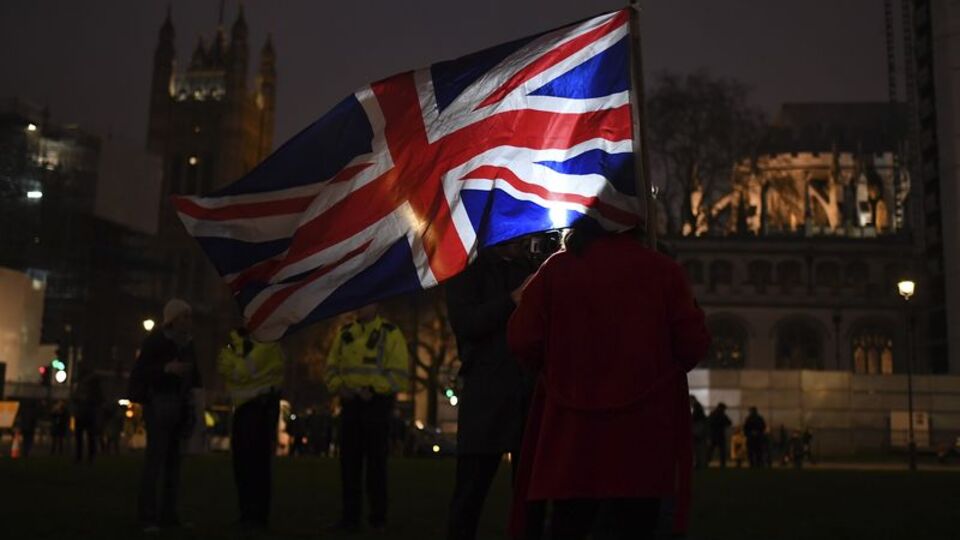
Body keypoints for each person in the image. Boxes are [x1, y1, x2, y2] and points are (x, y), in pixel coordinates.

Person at [507, 224, 710, 540]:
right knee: (636, 523)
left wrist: (554, 369)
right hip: (641, 434)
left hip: (572, 429)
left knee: (570, 523)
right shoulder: (662, 270)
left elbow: (523, 339)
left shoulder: (557, 270)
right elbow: (692, 345)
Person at [445, 238, 544, 540]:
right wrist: (511, 300)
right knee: (472, 486)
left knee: (530, 491)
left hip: (526, 389)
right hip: (487, 391)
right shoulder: (468, 270)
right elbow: (467, 323)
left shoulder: (530, 268)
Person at [324, 305, 410, 533]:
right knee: (349, 465)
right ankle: (350, 517)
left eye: (365, 303)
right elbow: (330, 368)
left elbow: (399, 374)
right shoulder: (344, 333)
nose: (359, 307)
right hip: (351, 404)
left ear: (376, 305)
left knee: (376, 465)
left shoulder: (390, 333)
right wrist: (340, 388)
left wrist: (372, 389)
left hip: (377, 406)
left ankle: (377, 518)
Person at [130, 298, 202, 533]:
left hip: (178, 404)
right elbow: (140, 373)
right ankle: (147, 516)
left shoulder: (187, 344)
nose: (188, 321)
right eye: (184, 317)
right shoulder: (157, 342)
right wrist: (166, 369)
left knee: (173, 463)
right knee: (156, 461)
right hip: (159, 404)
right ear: (173, 320)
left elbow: (195, 375)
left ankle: (168, 515)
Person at [218, 327, 285, 533]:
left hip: (260, 407)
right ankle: (247, 513)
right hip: (243, 408)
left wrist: (237, 367)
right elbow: (224, 367)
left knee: (257, 465)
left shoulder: (269, 342)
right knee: (242, 465)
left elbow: (239, 372)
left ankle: (257, 515)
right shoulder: (237, 342)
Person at [73, 371, 104, 463]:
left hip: (85, 415)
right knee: (89, 438)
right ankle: (87, 457)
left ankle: (82, 457)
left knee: (84, 438)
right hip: (87, 415)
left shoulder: (85, 389)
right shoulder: (93, 391)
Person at [706, 403, 732, 468]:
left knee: (711, 450)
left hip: (714, 434)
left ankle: (706, 462)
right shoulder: (722, 415)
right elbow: (729, 422)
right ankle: (722, 463)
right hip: (720, 434)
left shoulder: (713, 414)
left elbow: (708, 423)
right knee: (721, 450)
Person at [690, 395, 708, 470]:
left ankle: (699, 464)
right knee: (699, 448)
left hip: (698, 428)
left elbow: (695, 417)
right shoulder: (698, 406)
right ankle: (700, 463)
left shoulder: (696, 407)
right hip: (699, 428)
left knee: (698, 448)